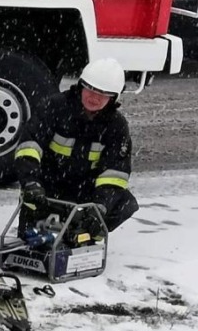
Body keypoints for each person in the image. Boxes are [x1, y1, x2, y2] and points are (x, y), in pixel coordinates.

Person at [13, 57, 138, 233]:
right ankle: (48, 226)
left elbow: (115, 175)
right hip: (46, 189)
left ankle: (82, 234)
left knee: (125, 203)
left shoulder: (116, 126)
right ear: (81, 86)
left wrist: (99, 208)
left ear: (113, 98)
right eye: (91, 89)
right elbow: (28, 147)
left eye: (103, 94)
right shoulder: (54, 107)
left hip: (84, 191)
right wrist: (32, 184)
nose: (94, 98)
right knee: (32, 239)